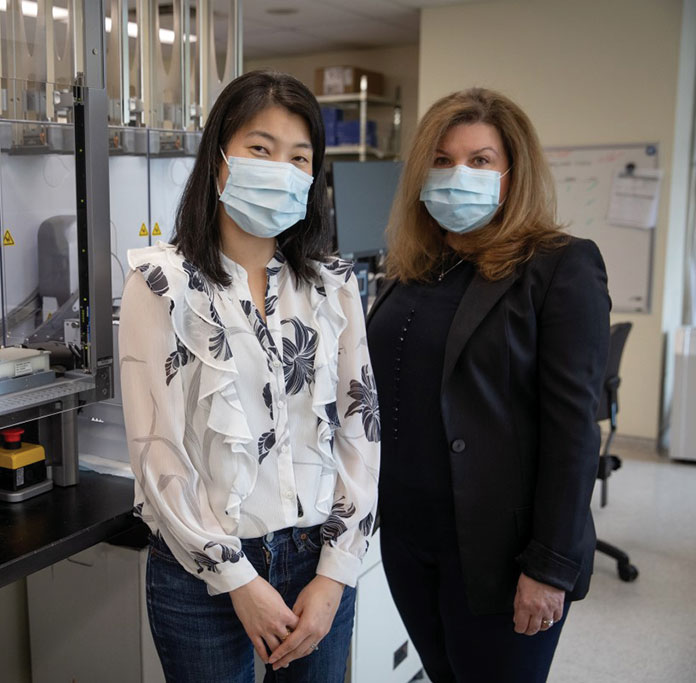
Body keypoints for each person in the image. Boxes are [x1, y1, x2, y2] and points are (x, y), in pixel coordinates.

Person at [118, 70, 380, 682]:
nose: (280, 170)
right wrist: (238, 580)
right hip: (200, 576)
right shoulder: (160, 284)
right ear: (219, 161)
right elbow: (156, 454)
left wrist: (337, 572)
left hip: (317, 562)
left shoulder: (333, 287)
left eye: (299, 158)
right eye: (261, 150)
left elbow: (360, 434)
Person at [367, 87, 610, 682]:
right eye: (443, 160)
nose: (458, 175)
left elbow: (574, 429)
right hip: (407, 540)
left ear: (512, 171)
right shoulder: (409, 269)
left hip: (505, 554)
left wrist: (550, 567)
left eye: (480, 160)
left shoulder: (559, 265)